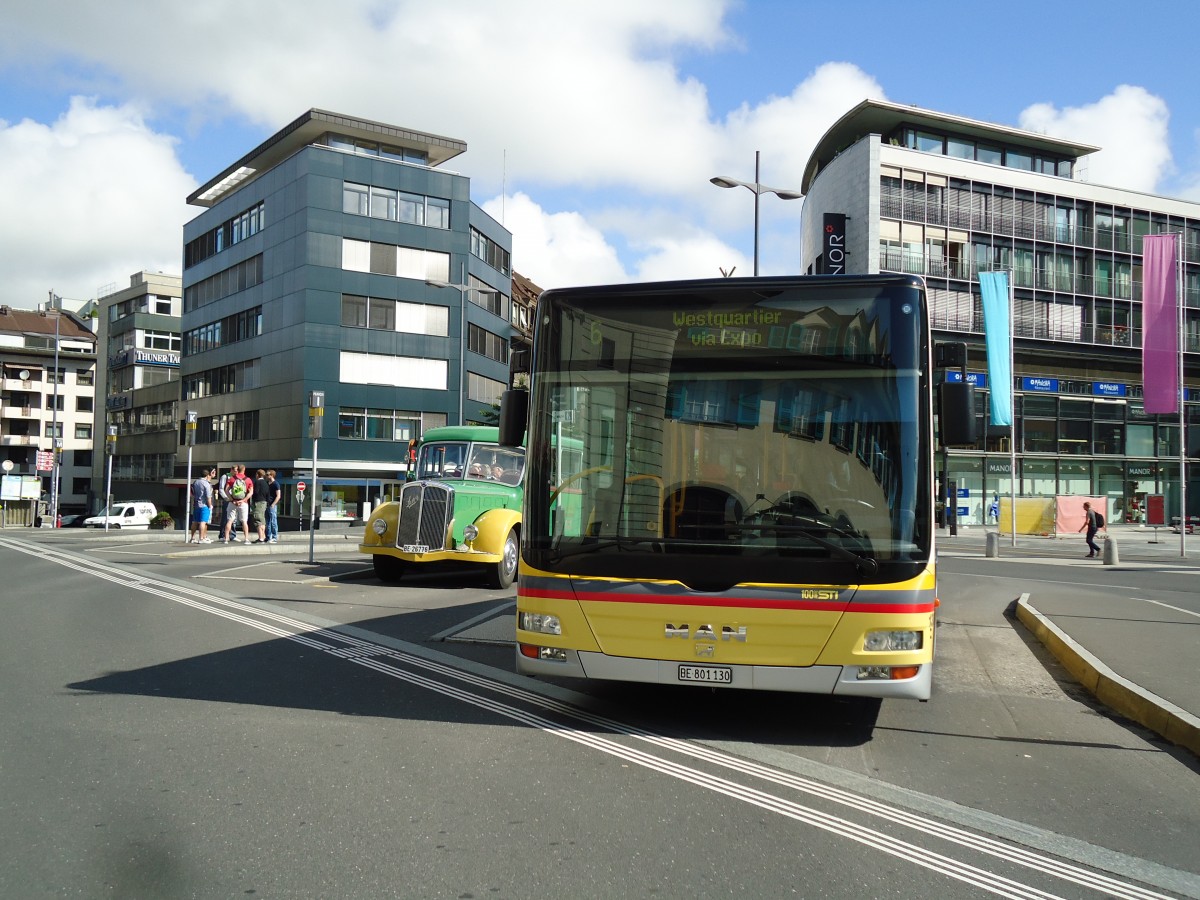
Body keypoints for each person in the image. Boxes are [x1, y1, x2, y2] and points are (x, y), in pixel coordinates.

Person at [221, 464, 253, 544]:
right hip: (243, 503)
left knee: (229, 520)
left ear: (237, 469)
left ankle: (226, 538)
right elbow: (251, 492)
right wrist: (243, 500)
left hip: (233, 502)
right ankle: (246, 539)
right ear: (244, 469)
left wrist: (231, 499)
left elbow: (226, 490)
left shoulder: (232, 479)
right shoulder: (248, 480)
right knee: (244, 521)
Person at [189, 467, 216, 543]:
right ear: (207, 475)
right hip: (204, 505)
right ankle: (201, 538)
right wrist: (210, 505)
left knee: (194, 522)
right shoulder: (206, 484)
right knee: (203, 522)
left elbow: (192, 493)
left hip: (196, 504)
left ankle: (192, 538)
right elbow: (208, 496)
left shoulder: (195, 482)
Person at [250, 468, 269, 544]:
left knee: (257, 519)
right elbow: (268, 494)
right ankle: (263, 536)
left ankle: (260, 537)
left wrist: (252, 501)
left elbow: (256, 492)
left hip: (258, 502)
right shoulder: (266, 483)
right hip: (264, 502)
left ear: (257, 475)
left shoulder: (257, 482)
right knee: (262, 520)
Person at [265, 469, 280, 543]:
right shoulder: (267, 483)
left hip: (272, 505)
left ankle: (274, 537)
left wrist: (273, 504)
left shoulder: (276, 484)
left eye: (268, 475)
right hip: (267, 504)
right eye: (266, 475)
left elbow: (278, 495)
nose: (267, 476)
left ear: (272, 475)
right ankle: (268, 536)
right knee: (267, 521)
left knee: (273, 521)